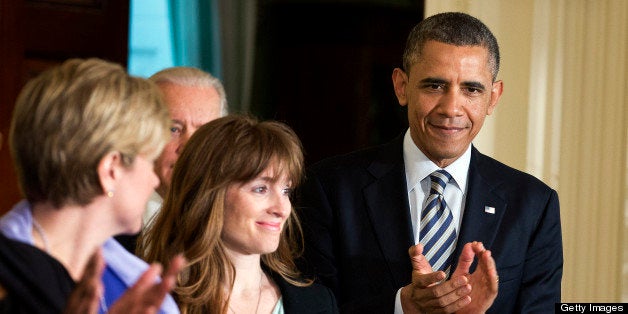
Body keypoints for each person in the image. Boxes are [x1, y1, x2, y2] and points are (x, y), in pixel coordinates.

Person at [296, 12, 562, 313]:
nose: (451, 108)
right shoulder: (329, 187)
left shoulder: (533, 205)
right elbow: (308, 309)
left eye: (471, 90)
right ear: (401, 86)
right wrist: (401, 306)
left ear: (493, 97)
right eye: (434, 86)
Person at [0, 58, 184, 313]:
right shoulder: (7, 281)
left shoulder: (136, 286)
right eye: (150, 160)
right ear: (111, 170)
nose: (154, 180)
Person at [139, 115, 338, 314]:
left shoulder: (317, 303)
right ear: (207, 195)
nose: (282, 209)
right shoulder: (150, 299)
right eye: (261, 189)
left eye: (286, 191)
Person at [115, 66, 228, 254]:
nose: (190, 146)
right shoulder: (108, 226)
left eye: (204, 132)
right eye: (173, 129)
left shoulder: (245, 224)